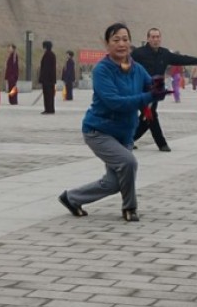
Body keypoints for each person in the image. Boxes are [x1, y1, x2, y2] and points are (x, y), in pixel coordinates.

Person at [58, 23, 165, 222]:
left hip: (124, 133)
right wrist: (147, 96)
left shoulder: (137, 69)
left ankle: (71, 198)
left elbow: (150, 88)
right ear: (107, 44)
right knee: (128, 162)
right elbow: (114, 103)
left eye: (125, 39)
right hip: (99, 131)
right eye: (116, 40)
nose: (121, 44)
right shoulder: (102, 70)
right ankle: (130, 208)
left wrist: (158, 88)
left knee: (113, 183)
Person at [132, 28, 197, 151]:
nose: (155, 39)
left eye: (158, 37)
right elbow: (125, 65)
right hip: (141, 90)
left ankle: (128, 139)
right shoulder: (138, 53)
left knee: (146, 117)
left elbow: (181, 59)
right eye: (153, 37)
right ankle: (161, 143)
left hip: (156, 90)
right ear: (148, 38)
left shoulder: (165, 53)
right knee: (150, 115)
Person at [39, 40, 57, 114]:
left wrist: (42, 78)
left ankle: (48, 109)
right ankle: (51, 108)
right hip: (51, 79)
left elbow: (46, 68)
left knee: (47, 95)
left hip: (47, 79)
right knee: (50, 95)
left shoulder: (47, 55)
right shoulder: (52, 54)